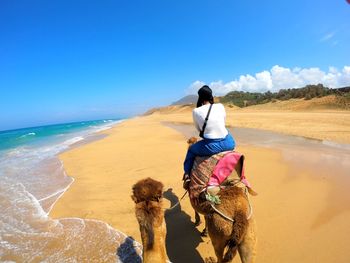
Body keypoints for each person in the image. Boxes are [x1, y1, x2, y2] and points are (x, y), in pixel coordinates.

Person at [183, 85, 236, 189]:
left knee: (191, 151)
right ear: (211, 96)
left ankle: (187, 175)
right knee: (226, 132)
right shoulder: (220, 106)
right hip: (229, 143)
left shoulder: (196, 111)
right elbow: (223, 123)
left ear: (200, 98)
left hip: (211, 145)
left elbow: (199, 130)